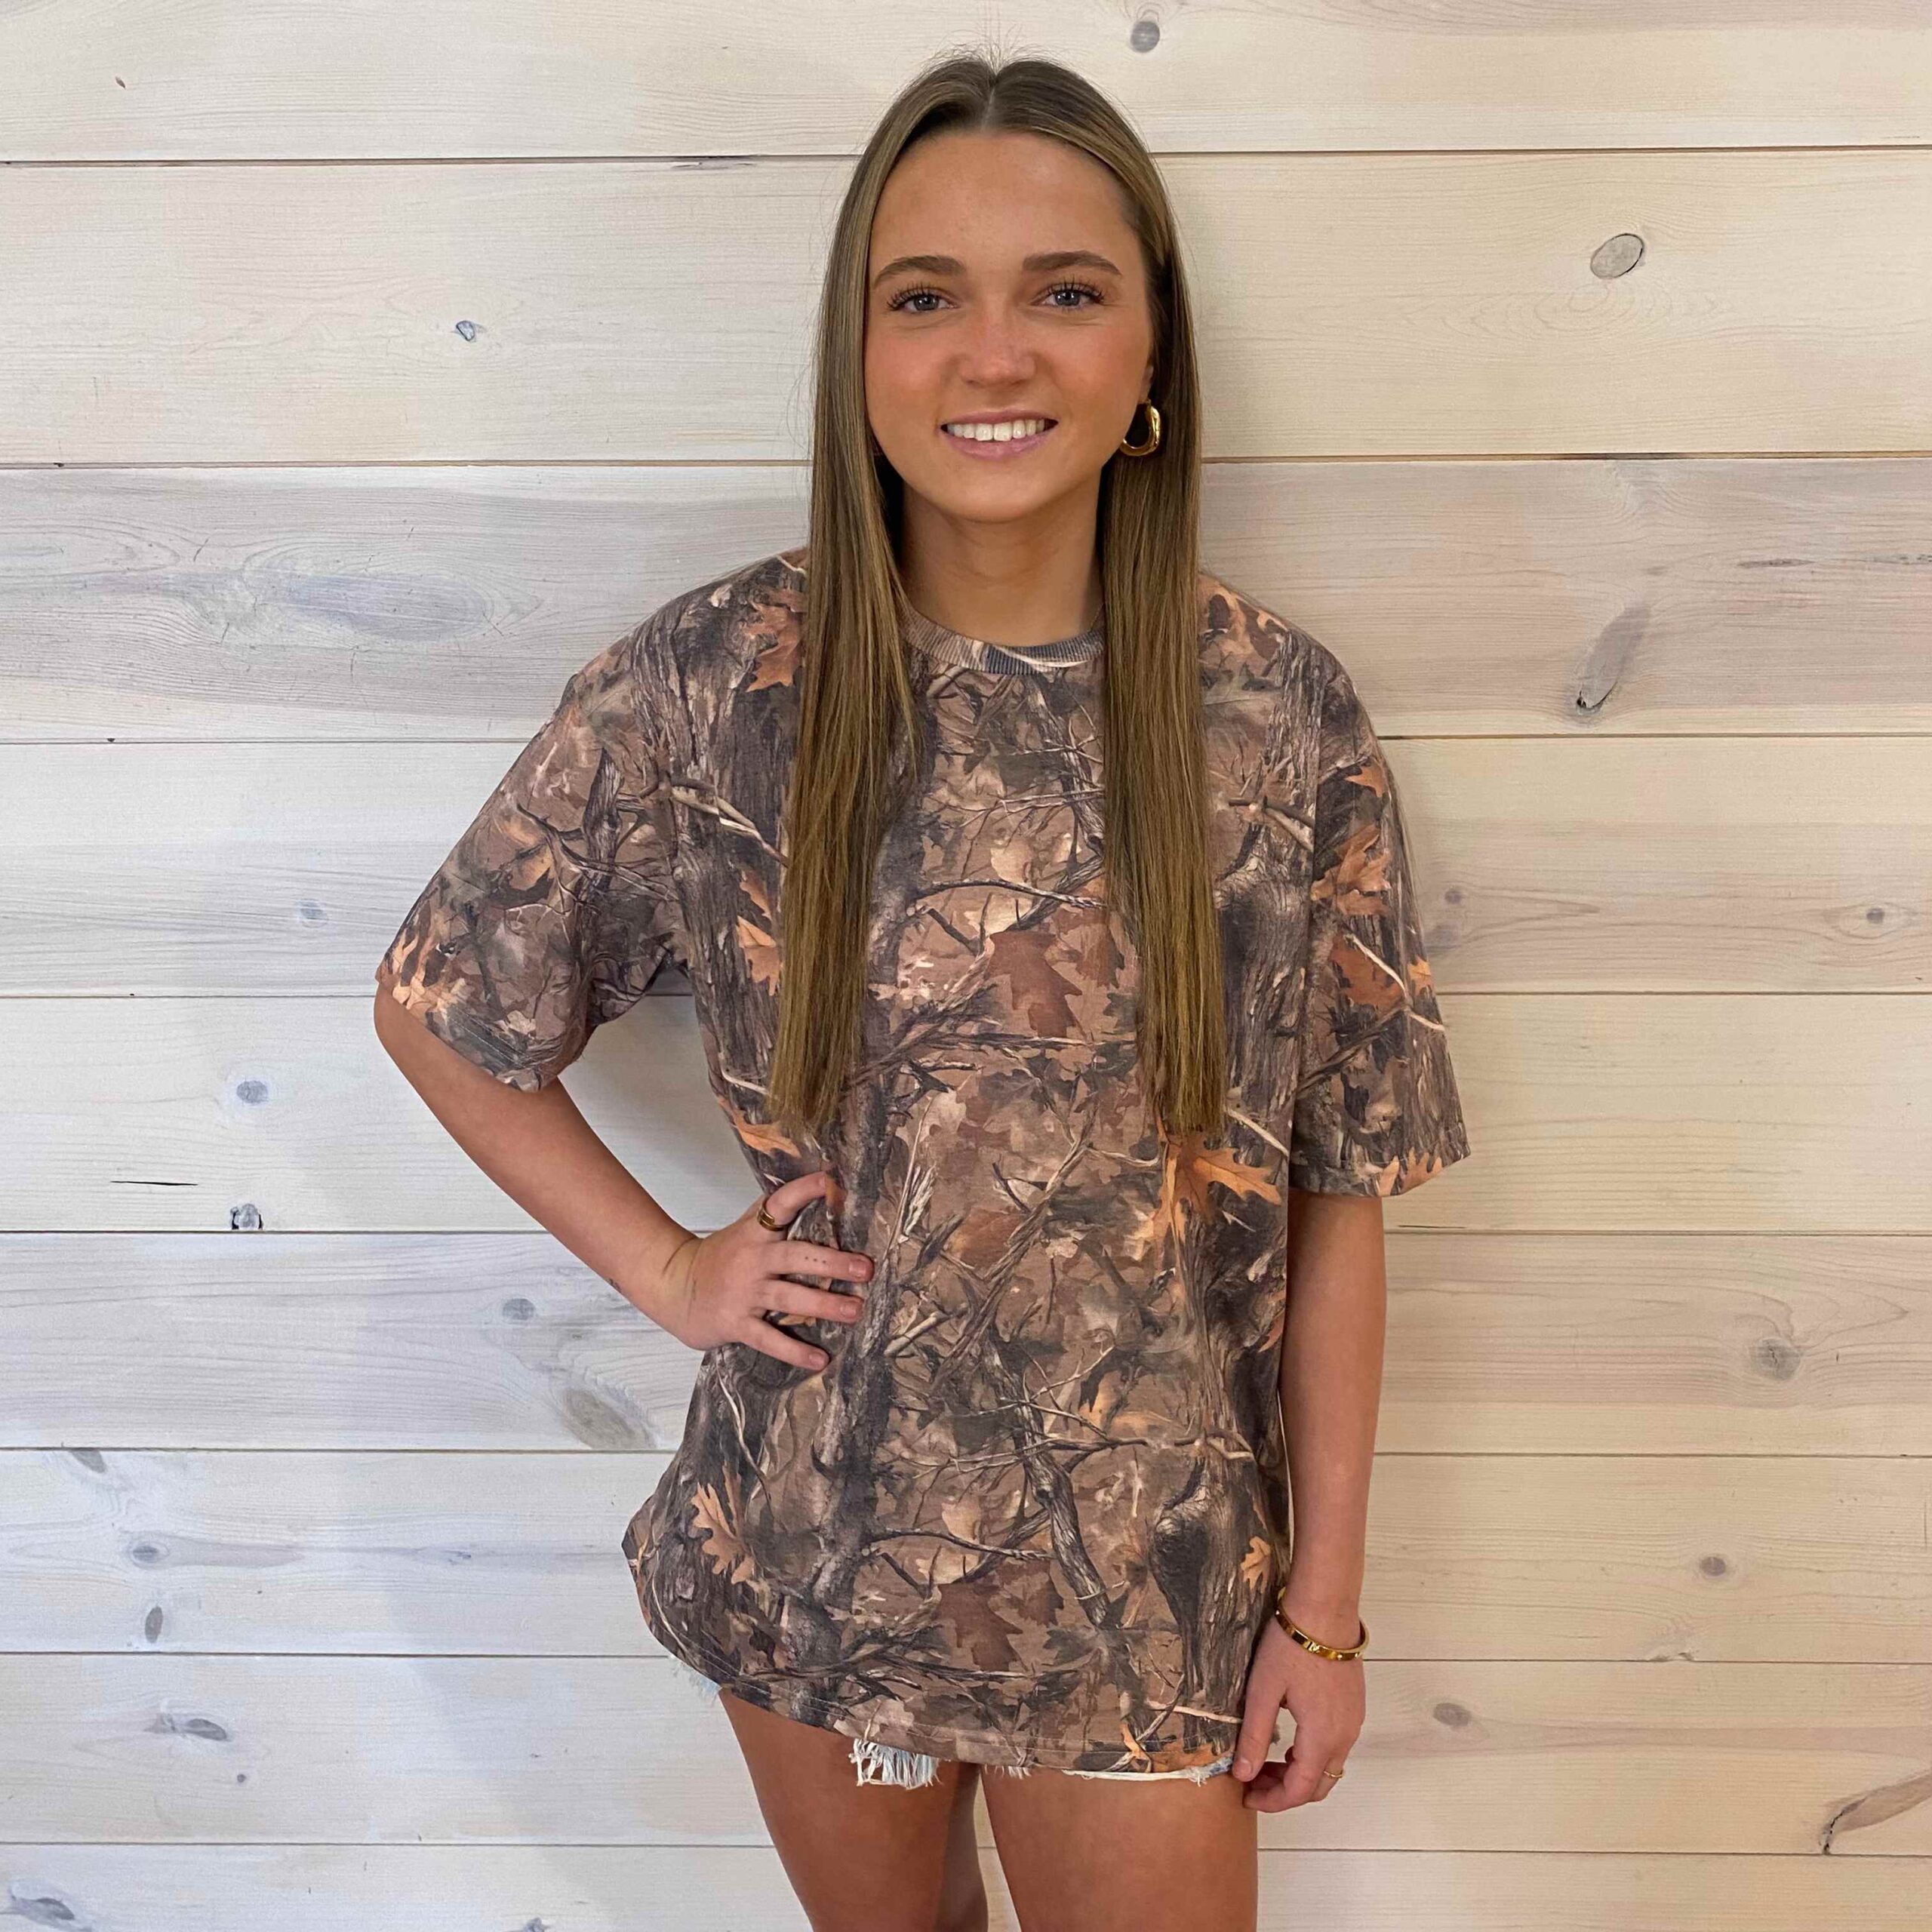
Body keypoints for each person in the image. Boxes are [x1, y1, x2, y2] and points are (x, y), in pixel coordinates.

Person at [373, 48, 1470, 1932]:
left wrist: (1324, 1609)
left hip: (1151, 1583)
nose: (993, 354)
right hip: (812, 1549)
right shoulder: (717, 686)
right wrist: (671, 1270)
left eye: (1065, 290)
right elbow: (439, 999)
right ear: (858, 351)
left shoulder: (1273, 716)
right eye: (924, 297)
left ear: (1148, 348)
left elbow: (1337, 1187)